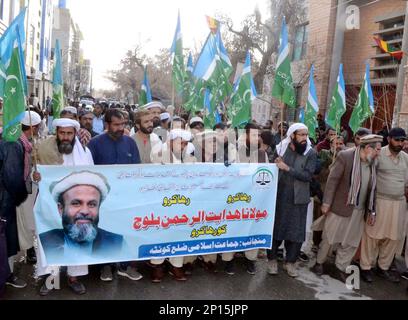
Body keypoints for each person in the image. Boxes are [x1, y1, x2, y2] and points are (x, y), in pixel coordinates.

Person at [311, 135, 383, 282]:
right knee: (330, 237)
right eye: (377, 149)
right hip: (340, 206)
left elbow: (373, 189)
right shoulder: (346, 156)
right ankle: (319, 262)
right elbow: (332, 181)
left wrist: (372, 210)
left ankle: (340, 267)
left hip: (360, 210)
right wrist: (326, 203)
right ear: (368, 148)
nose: (379, 153)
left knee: (351, 242)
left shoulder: (373, 162)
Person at [36, 118, 94, 296]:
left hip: (77, 206)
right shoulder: (43, 149)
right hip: (51, 204)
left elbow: (92, 175)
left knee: (76, 239)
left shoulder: (85, 152)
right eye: (62, 133)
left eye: (70, 133)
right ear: (57, 133)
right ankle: (50, 277)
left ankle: (73, 277)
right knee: (51, 237)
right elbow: (34, 174)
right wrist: (35, 176)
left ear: (75, 134)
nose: (66, 137)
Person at [87, 109, 142, 283]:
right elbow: (89, 172)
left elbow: (137, 169)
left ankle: (125, 266)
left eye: (123, 124)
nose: (120, 128)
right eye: (116, 125)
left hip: (125, 197)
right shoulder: (95, 144)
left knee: (124, 230)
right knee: (105, 232)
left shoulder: (130, 143)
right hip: (103, 198)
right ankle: (106, 266)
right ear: (107, 125)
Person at [267, 123, 317, 278]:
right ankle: (272, 259)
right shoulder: (281, 148)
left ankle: (290, 262)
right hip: (279, 196)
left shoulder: (310, 153)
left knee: (295, 233)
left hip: (298, 199)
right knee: (276, 229)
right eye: (301, 135)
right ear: (292, 136)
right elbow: (270, 166)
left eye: (305, 135)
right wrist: (275, 162)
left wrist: (287, 168)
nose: (304, 138)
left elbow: (308, 176)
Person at [360, 128, 408, 284]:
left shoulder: (406, 158)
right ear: (389, 139)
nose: (400, 143)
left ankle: (383, 267)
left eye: (403, 140)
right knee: (372, 235)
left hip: (399, 203)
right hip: (380, 201)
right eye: (397, 140)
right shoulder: (379, 154)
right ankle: (366, 267)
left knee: (393, 237)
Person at [39, 171, 123, 258]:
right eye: (76, 203)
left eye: (92, 204)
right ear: (60, 209)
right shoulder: (43, 242)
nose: (85, 211)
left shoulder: (117, 244)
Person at [150, 129, 196, 282]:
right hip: (160, 201)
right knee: (160, 233)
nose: (183, 146)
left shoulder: (186, 153)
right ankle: (158, 266)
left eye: (185, 144)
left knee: (179, 232)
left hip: (180, 202)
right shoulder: (158, 151)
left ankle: (176, 266)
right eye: (180, 143)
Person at [221, 123, 267, 276]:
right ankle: (228, 260)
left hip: (254, 199)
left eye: (258, 135)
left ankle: (250, 259)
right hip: (234, 199)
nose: (257, 138)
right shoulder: (232, 151)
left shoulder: (262, 154)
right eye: (254, 135)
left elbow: (266, 174)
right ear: (245, 135)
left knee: (252, 227)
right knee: (232, 228)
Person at [0, 132, 30, 291]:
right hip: (4, 203)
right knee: (6, 242)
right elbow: (12, 178)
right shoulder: (10, 144)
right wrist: (20, 196)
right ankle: (7, 275)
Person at [16, 111, 42, 265]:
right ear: (34, 127)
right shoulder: (19, 143)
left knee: (30, 219)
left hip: (31, 186)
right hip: (22, 188)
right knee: (25, 220)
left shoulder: (32, 141)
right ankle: (27, 248)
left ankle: (30, 248)